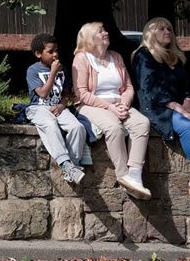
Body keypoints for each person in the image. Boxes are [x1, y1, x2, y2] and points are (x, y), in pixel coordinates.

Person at [72, 21, 151, 200]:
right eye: (100, 31)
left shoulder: (116, 56)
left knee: (142, 123)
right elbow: (81, 93)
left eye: (105, 30)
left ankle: (135, 175)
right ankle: (123, 176)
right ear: (89, 38)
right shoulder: (82, 58)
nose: (106, 33)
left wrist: (123, 104)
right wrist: (110, 108)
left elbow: (129, 87)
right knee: (114, 127)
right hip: (92, 105)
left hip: (119, 103)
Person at [132, 17, 190, 192]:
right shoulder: (143, 56)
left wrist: (187, 100)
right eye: (161, 29)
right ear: (150, 33)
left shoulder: (176, 57)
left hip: (179, 106)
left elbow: (186, 85)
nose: (167, 32)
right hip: (157, 108)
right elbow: (149, 89)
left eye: (169, 29)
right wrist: (177, 107)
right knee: (188, 126)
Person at [25, 33, 86, 184]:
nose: (55, 55)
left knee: (77, 127)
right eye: (50, 52)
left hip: (57, 108)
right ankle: (65, 163)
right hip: (38, 108)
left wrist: (62, 105)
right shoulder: (33, 71)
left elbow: (66, 94)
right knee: (50, 125)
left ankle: (73, 166)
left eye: (56, 51)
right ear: (38, 54)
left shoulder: (63, 69)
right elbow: (43, 94)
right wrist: (53, 72)